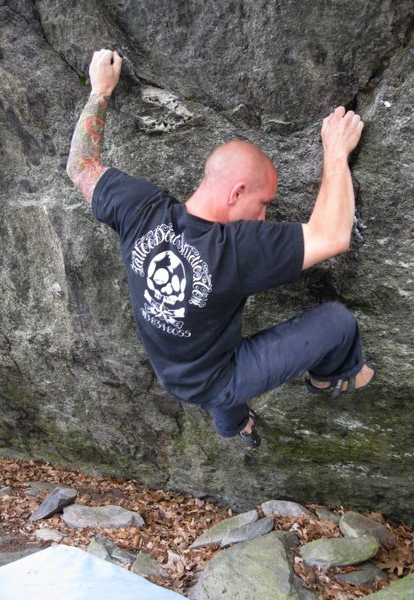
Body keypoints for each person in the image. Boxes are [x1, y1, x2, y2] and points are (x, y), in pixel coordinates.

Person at [67, 49, 375, 448]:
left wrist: (100, 90)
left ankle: (236, 427)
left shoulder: (139, 208)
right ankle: (327, 376)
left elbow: (80, 166)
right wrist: (336, 153)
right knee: (338, 324)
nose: (264, 217)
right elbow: (332, 236)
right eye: (263, 203)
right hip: (218, 374)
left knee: (222, 382)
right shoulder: (237, 251)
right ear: (237, 192)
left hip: (170, 367)